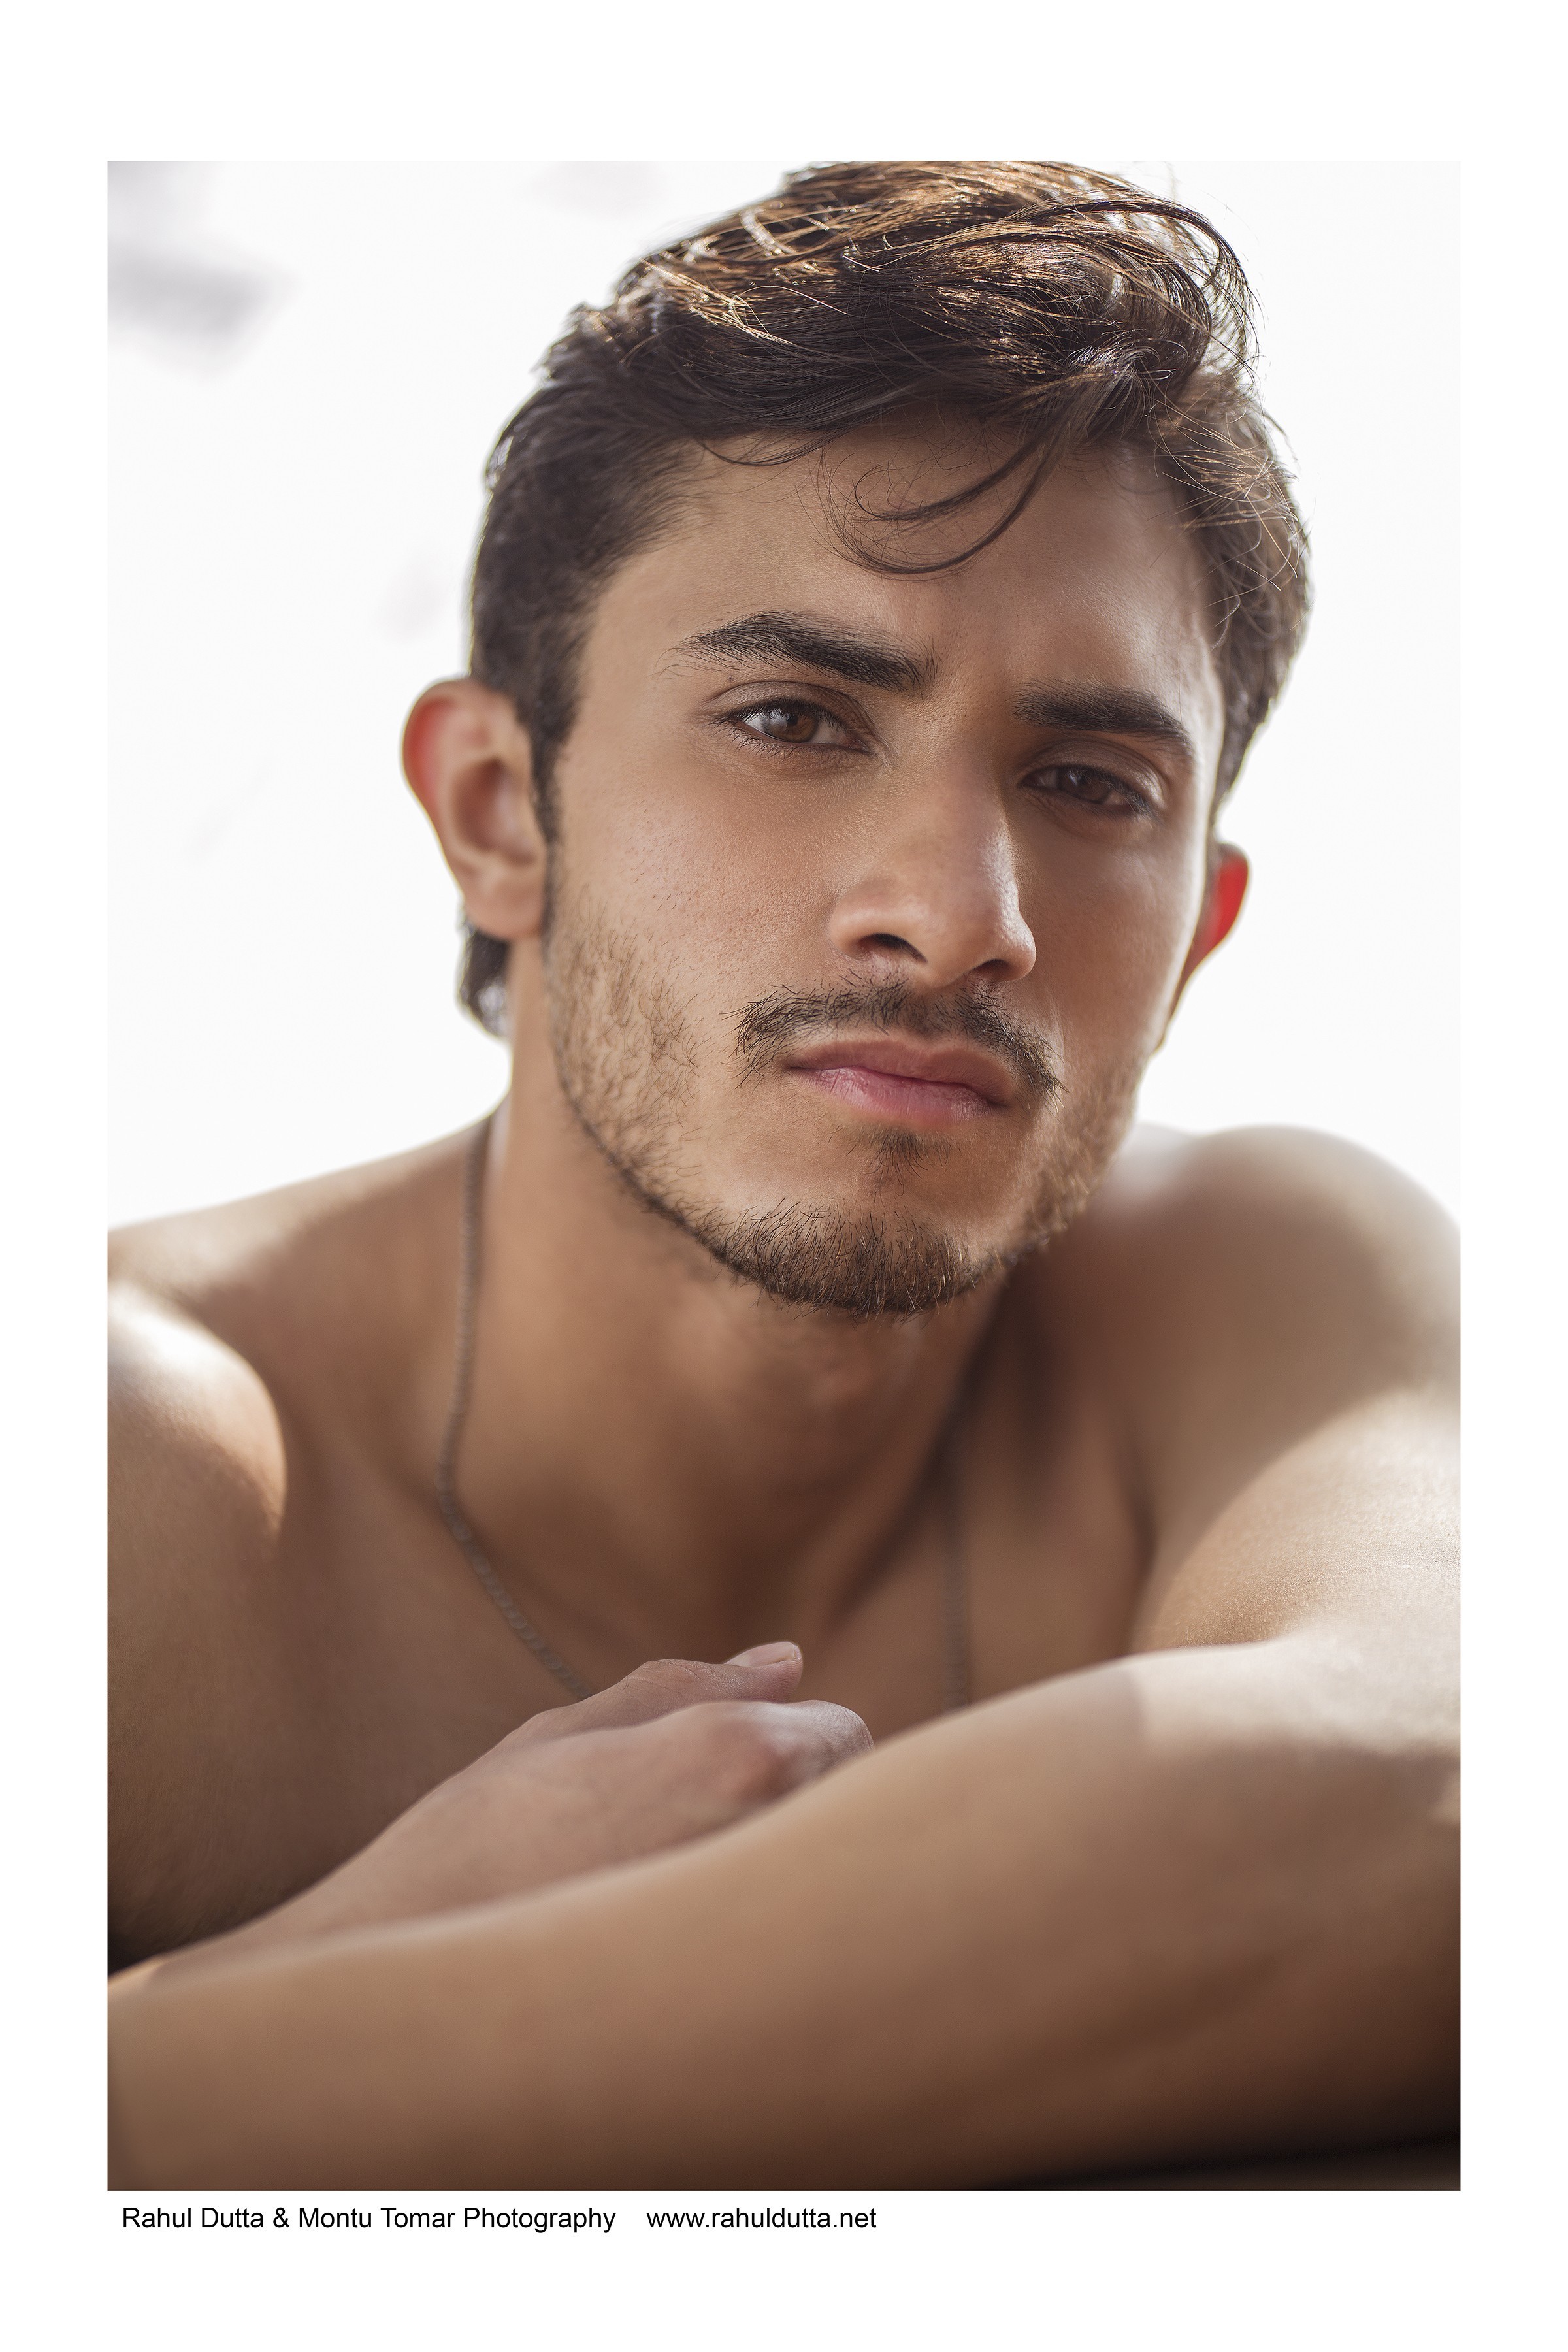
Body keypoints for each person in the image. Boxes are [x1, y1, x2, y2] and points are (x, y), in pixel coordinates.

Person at [106, 160, 1458, 2190]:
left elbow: (1444, 1782)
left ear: (1198, 931)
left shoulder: (1254, 1281)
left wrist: (218, 2035)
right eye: (791, 717)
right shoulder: (132, 1470)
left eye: (1090, 783)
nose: (961, 914)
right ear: (500, 812)